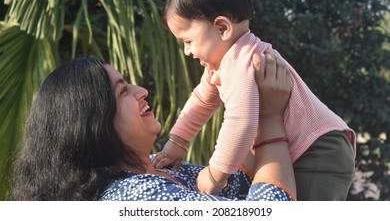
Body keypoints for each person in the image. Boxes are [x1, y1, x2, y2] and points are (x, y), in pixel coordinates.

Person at [152, 0, 356, 200]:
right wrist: (177, 142)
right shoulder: (224, 62)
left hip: (319, 151)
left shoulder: (241, 61)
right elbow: (201, 101)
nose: (187, 51)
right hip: (304, 147)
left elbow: (241, 122)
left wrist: (215, 174)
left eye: (188, 41)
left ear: (222, 28)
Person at [11, 52, 296, 201]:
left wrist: (250, 103)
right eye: (123, 92)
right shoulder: (133, 196)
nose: (142, 91)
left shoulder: (159, 166)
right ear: (93, 126)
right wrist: (269, 119)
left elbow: (243, 184)